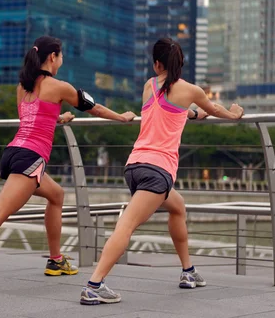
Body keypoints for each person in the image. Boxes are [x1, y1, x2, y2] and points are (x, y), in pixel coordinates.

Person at [0, 35, 136, 291]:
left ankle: (56, 260)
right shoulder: (59, 86)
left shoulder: (23, 86)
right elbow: (96, 108)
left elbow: (31, 120)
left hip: (15, 151)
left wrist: (57, 118)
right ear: (53, 57)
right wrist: (122, 118)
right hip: (30, 158)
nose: (62, 59)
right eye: (61, 55)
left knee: (56, 195)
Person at [80, 38, 244, 305]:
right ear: (180, 63)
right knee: (127, 224)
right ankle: (93, 285)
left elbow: (169, 109)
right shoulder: (192, 90)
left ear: (157, 64)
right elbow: (216, 111)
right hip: (157, 172)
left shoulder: (149, 85)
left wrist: (190, 114)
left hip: (135, 166)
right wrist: (235, 114)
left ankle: (188, 272)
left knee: (177, 207)